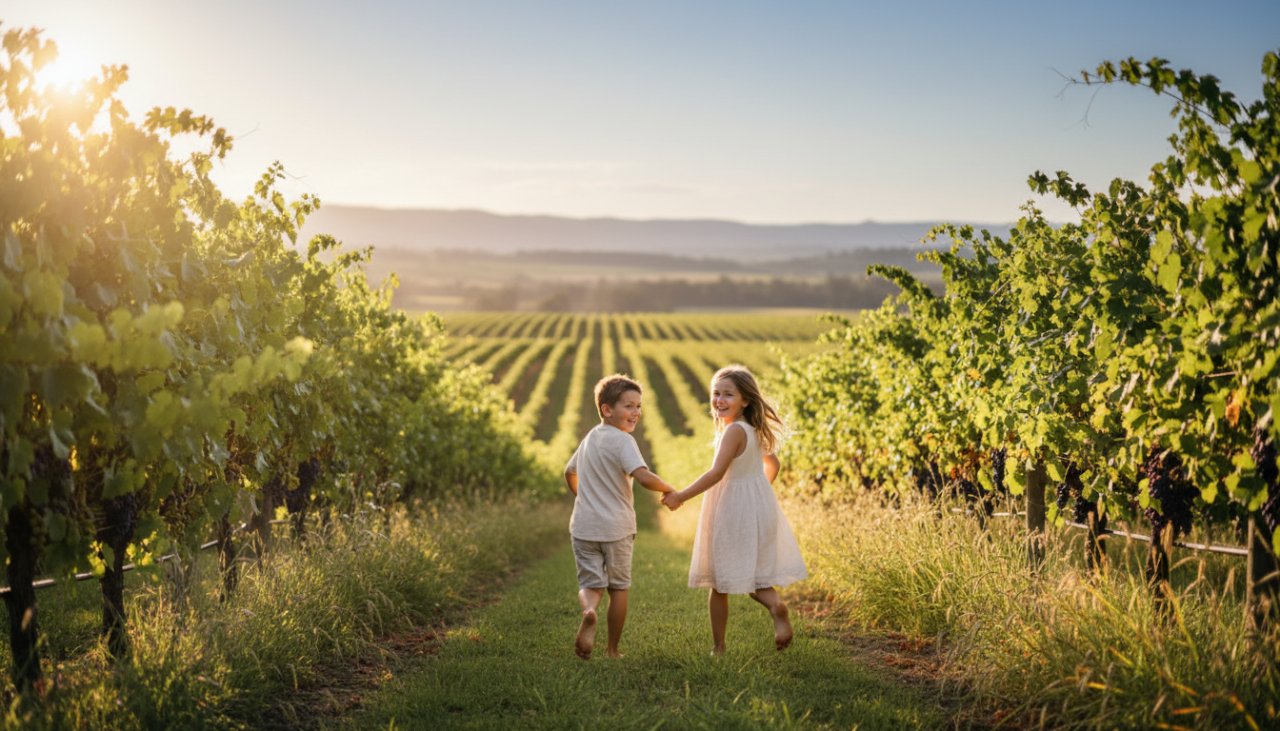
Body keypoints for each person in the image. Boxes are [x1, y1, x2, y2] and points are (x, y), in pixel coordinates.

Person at [662, 365, 807, 655]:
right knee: (753, 574)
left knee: (719, 581)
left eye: (728, 394)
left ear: (746, 400)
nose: (719, 399)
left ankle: (719, 647)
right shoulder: (752, 430)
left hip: (731, 510)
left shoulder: (733, 432)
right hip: (754, 506)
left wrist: (681, 496)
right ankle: (775, 606)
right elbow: (773, 465)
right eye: (716, 393)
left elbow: (716, 474)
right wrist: (756, 491)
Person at [565, 374, 675, 660]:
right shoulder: (623, 441)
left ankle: (589, 612)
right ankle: (612, 650)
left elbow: (569, 471)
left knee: (590, 584)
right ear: (607, 409)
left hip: (583, 527)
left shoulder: (590, 438)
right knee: (619, 588)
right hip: (617, 528)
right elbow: (642, 476)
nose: (636, 412)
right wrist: (668, 488)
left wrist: (583, 497)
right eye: (629, 406)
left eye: (638, 406)